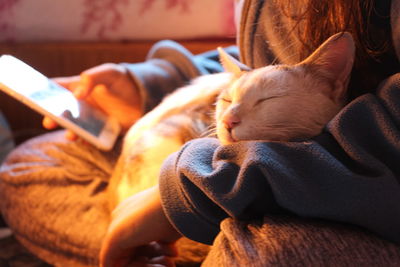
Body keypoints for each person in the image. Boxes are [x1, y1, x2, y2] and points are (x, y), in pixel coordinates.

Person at [1, 0, 400, 266]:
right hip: (230, 163)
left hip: (346, 184)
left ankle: (171, 243)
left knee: (268, 251)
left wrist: (190, 192)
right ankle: (174, 243)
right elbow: (257, 67)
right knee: (29, 167)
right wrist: (149, 85)